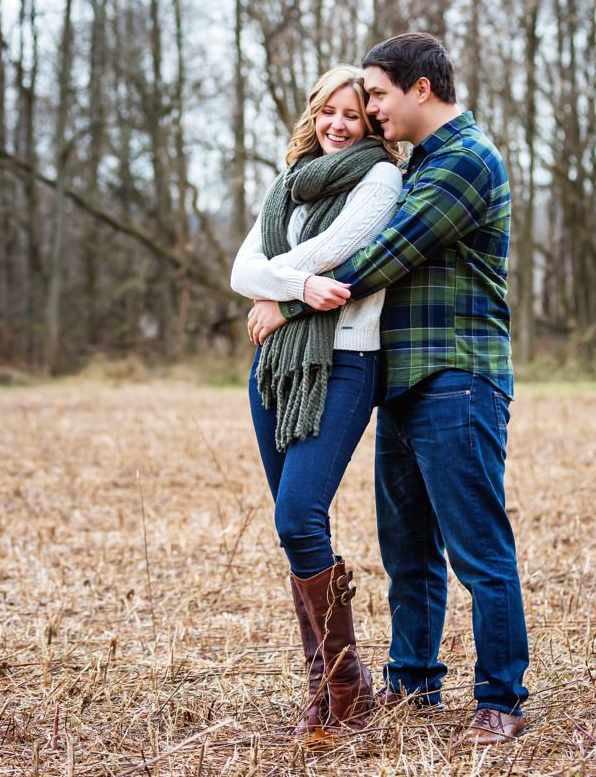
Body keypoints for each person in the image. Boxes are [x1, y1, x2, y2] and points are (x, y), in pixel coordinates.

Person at [247, 33, 530, 747]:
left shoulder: (465, 161)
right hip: (400, 380)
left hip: (457, 375)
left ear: (420, 90)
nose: (370, 110)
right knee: (407, 549)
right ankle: (413, 680)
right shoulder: (426, 162)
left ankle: (500, 696)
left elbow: (383, 253)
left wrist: (286, 300)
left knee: (477, 547)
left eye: (376, 94)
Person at [230, 65, 403, 742]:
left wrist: (284, 290)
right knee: (295, 529)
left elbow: (338, 253)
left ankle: (348, 685)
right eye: (327, 110)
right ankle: (321, 690)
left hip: (345, 362)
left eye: (353, 114)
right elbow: (241, 270)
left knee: (300, 514)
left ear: (368, 123)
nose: (338, 123)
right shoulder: (287, 184)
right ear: (314, 113)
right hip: (275, 369)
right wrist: (293, 286)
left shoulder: (380, 178)